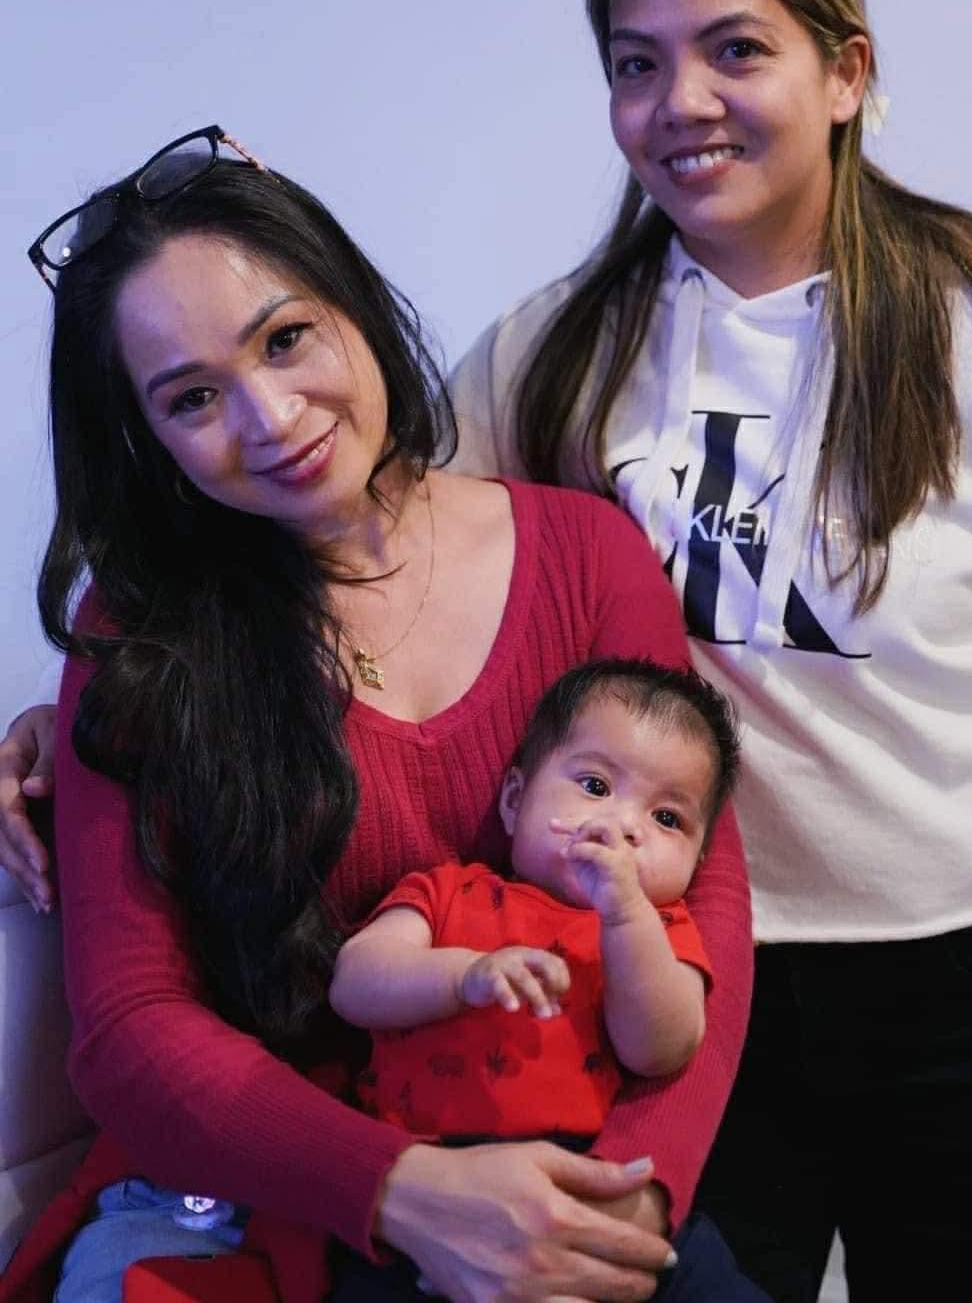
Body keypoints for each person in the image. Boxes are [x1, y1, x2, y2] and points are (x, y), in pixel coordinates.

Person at [7, 0, 972, 1301]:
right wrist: (78, 721)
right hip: (664, 960)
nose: (683, 101)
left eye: (737, 49)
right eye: (638, 64)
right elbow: (360, 527)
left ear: (847, 73)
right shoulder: (555, 349)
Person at [0, 130, 752, 1303]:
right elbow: (130, 1024)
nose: (270, 417)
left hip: (578, 1174)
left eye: (285, 337)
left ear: (350, 300)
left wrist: (624, 1196)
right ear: (145, 438)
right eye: (193, 397)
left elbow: (703, 896)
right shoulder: (141, 631)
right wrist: (404, 1190)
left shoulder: (587, 555)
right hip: (277, 1191)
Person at [326, 657, 770, 1302]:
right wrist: (465, 975)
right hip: (434, 1195)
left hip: (588, 1182)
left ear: (699, 860)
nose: (622, 828)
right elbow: (355, 984)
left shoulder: (660, 931)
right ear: (515, 799)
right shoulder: (450, 892)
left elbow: (661, 1048)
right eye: (594, 785)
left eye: (666, 819)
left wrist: (625, 916)